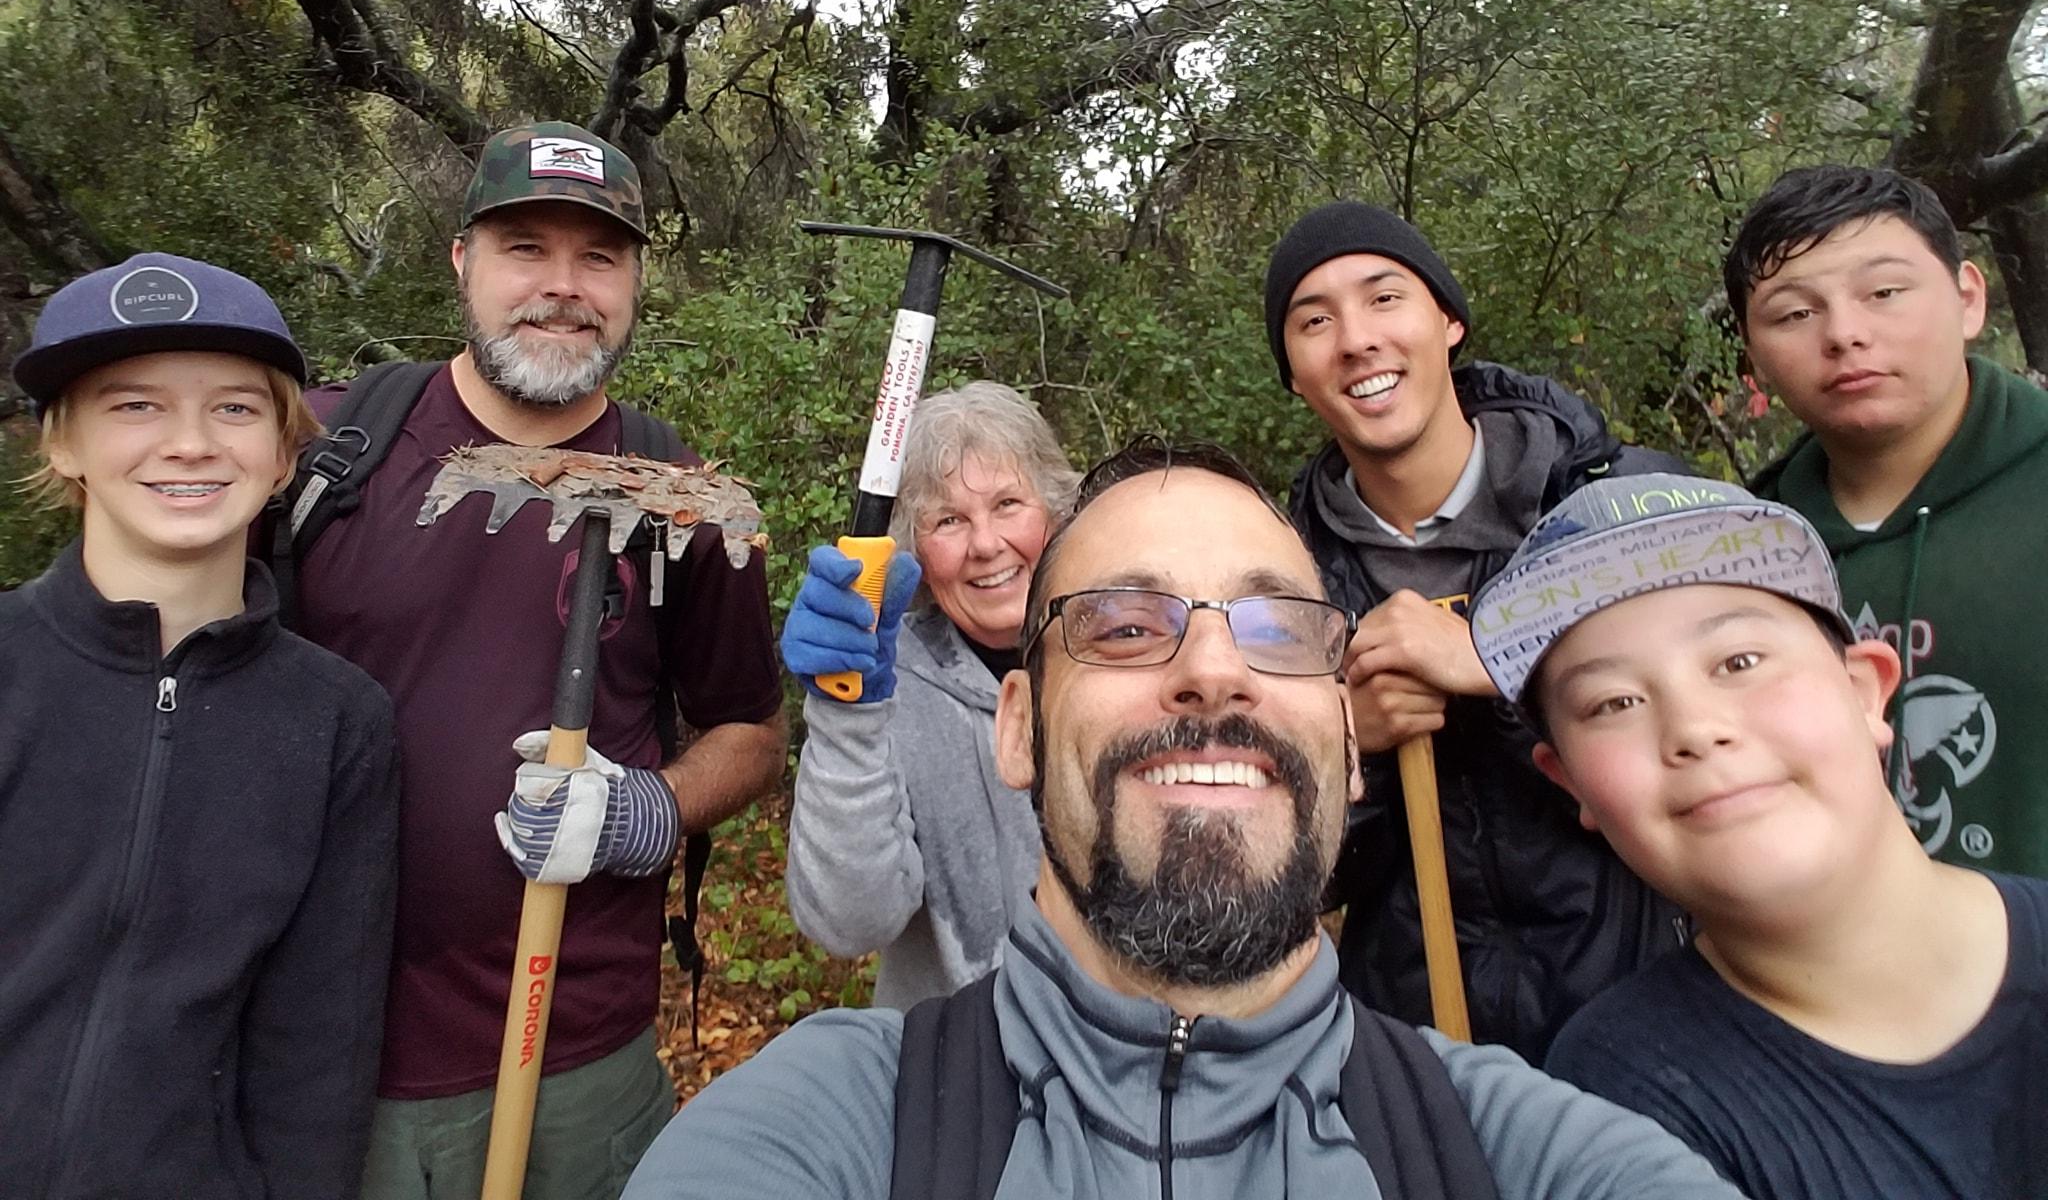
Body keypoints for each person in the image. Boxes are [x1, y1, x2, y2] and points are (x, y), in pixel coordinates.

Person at [622, 441, 1746, 1200]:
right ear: (1018, 729)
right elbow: (848, 914)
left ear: (1348, 738)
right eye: (1123, 626)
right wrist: (851, 720)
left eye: (1277, 628)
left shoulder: (1515, 1151)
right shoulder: (831, 1129)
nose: (1213, 670)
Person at [286, 123, 786, 1199]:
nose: (563, 287)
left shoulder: (683, 500)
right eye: (525, 248)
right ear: (461, 261)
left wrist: (647, 809)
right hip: (324, 1048)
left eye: (598, 257)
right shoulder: (321, 452)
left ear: (635, 284)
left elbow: (751, 732)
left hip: (575, 1056)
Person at [1467, 471, 2048, 1198]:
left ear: (1866, 690)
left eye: (1739, 662)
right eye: (1614, 702)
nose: (1694, 728)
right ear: (1570, 784)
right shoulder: (1617, 1101)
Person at [3, 252, 400, 1199]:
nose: (190, 443)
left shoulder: (338, 722)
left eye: (234, 408)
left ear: (284, 453)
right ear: (63, 445)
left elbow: (318, 1049)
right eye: (135, 406)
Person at [1265, 200, 1686, 1058]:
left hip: (1656, 1023)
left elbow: (1726, 724)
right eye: (1315, 322)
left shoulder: (1622, 507)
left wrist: (1506, 656)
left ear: (1449, 322)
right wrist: (1346, 749)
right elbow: (1293, 879)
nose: (1356, 340)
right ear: (1296, 376)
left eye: (1385, 298)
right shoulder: (1284, 588)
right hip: (1422, 1050)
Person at [1730, 165, 2048, 876]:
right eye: (1794, 314)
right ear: (1753, 356)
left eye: (1884, 293)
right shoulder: (1747, 551)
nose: (1844, 334)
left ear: (1968, 299)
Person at [782, 382, 1077, 1006]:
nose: (986, 545)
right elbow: (849, 924)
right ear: (915, 549)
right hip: (955, 1052)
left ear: (1053, 513)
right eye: (949, 520)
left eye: (1007, 504)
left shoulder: (1126, 655)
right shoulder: (887, 683)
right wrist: (845, 722)